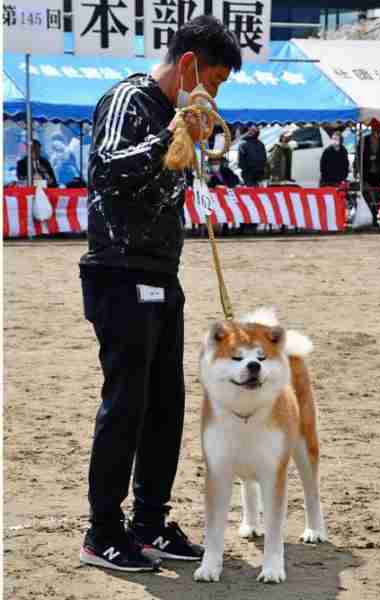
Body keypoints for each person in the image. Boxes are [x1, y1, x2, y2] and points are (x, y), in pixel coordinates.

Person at [79, 15, 242, 572]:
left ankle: (149, 521)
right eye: (214, 80)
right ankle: (102, 530)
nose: (213, 94)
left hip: (161, 271)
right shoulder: (128, 100)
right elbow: (105, 171)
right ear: (190, 63)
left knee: (164, 404)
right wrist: (171, 133)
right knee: (126, 401)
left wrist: (188, 137)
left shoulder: (187, 120)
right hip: (118, 270)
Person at [355, 119, 380, 226]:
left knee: (377, 197)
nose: (377, 132)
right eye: (375, 130)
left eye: (379, 130)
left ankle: (375, 217)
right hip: (366, 173)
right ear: (371, 130)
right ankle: (370, 218)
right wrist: (357, 170)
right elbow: (358, 156)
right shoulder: (364, 141)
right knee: (367, 196)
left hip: (378, 173)